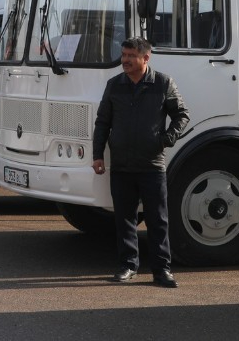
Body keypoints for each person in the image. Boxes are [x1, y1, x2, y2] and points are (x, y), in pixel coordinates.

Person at [92, 36, 190, 288]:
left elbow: (181, 115)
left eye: (130, 56)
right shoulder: (114, 85)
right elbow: (102, 122)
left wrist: (166, 139)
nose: (124, 60)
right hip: (121, 165)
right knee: (124, 219)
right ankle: (127, 266)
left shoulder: (163, 83)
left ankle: (162, 270)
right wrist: (97, 155)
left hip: (152, 165)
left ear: (146, 58)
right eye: (123, 55)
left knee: (158, 220)